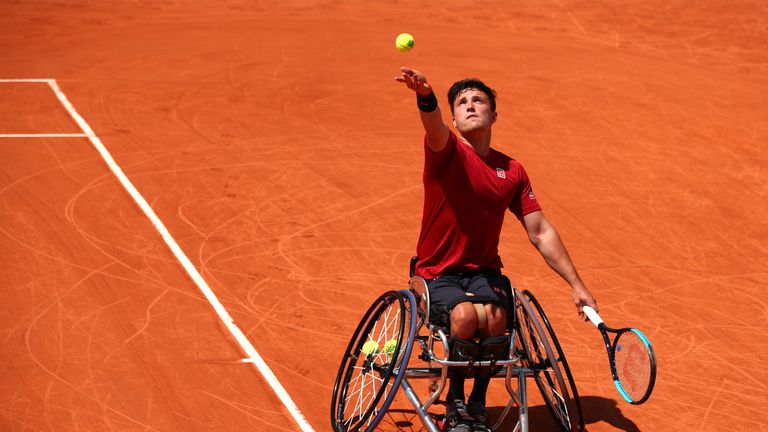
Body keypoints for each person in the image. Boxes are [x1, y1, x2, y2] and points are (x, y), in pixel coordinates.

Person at [394, 66, 598, 432]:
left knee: (497, 319)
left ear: (493, 115)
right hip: (436, 272)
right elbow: (433, 125)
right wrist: (425, 94)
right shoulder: (446, 150)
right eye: (461, 103)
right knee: (466, 318)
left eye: (478, 101)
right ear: (454, 117)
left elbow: (540, 231)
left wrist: (576, 284)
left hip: (484, 273)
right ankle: (456, 401)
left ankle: (477, 403)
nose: (470, 106)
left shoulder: (512, 171)